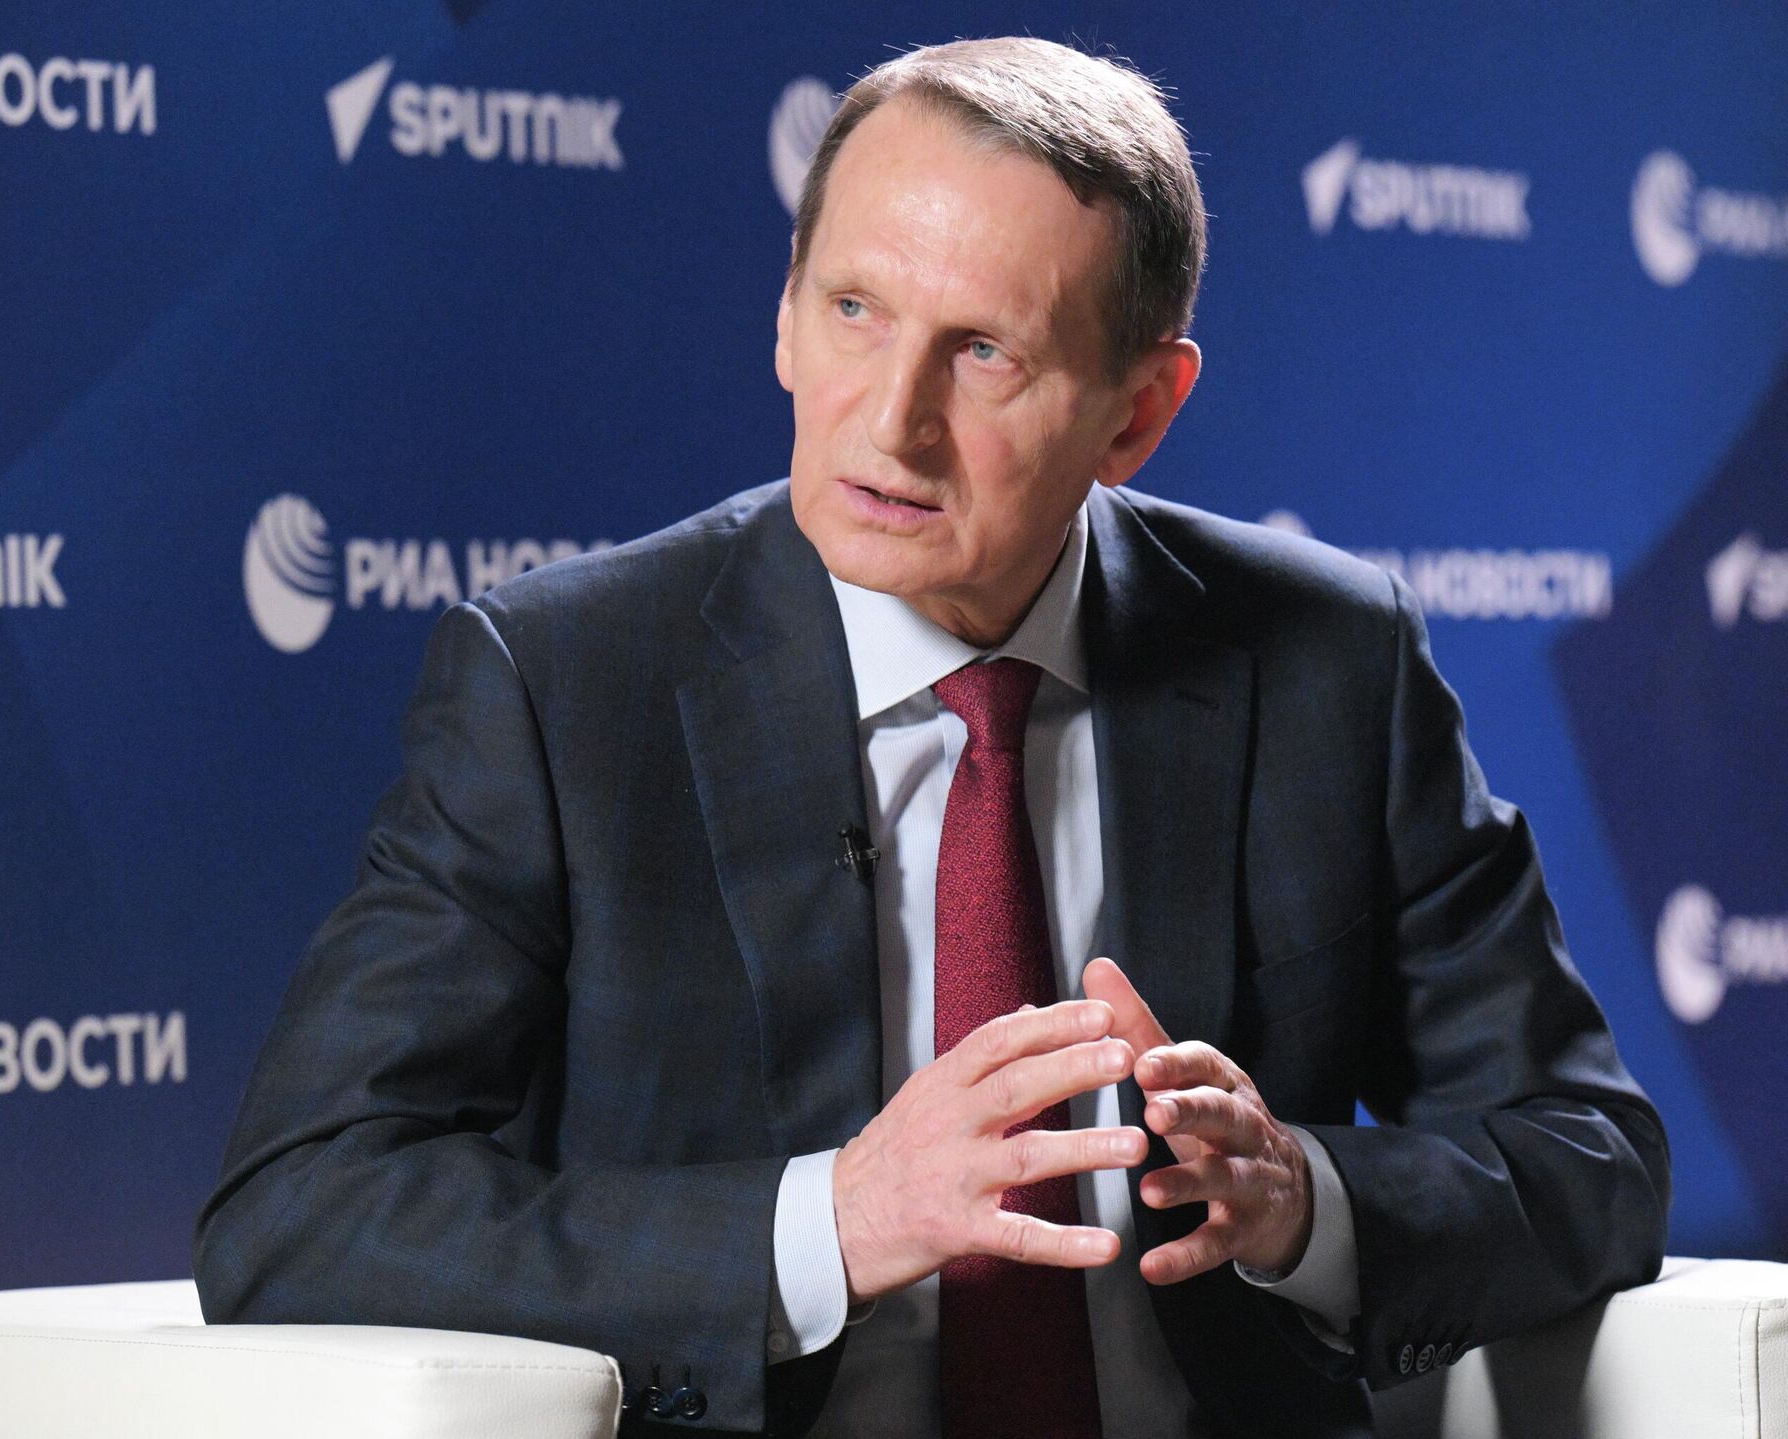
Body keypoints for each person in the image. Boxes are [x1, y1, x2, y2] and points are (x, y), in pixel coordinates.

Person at [194, 37, 1669, 1439]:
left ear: (1138, 413)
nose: (891, 422)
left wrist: (1299, 1198)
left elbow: (1589, 1160)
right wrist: (826, 1224)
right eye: (854, 310)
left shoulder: (1327, 662)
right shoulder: (568, 686)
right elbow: (298, 1212)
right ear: (784, 315)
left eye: (985, 353)